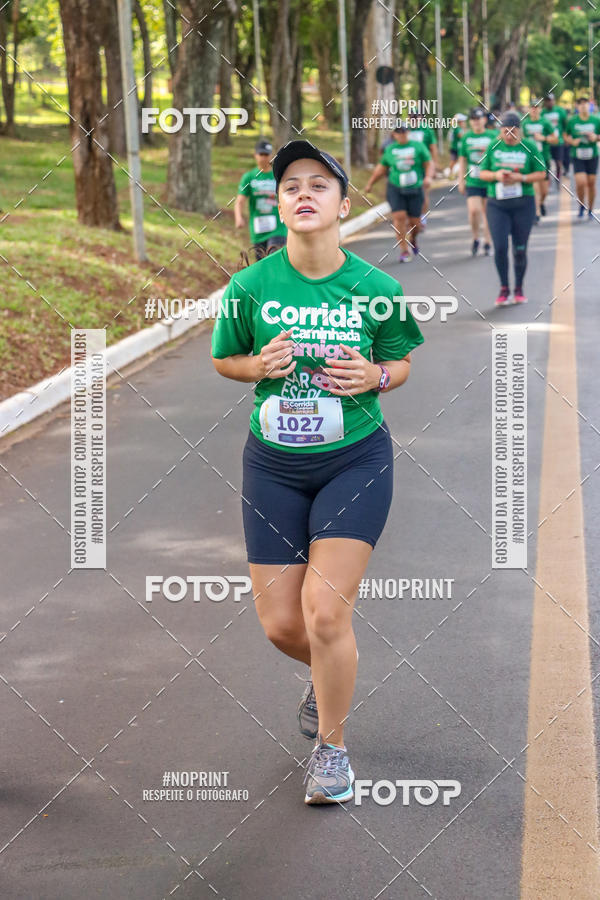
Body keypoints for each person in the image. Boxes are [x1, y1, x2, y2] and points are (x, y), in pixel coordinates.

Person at [211, 140, 424, 805]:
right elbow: (227, 362)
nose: (303, 194)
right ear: (277, 206)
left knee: (326, 616)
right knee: (282, 626)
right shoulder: (249, 287)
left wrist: (378, 375)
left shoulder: (377, 288)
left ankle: (332, 751)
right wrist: (259, 366)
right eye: (291, 187)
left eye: (318, 185)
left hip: (354, 459)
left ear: (343, 203)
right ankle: (331, 671)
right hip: (272, 464)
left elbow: (401, 362)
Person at [479, 111, 547, 306]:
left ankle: (518, 288)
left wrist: (522, 178)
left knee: (519, 249)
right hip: (497, 204)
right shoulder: (493, 146)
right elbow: (481, 173)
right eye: (505, 131)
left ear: (520, 131)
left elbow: (541, 173)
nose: (509, 135)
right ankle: (503, 288)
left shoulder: (530, 147)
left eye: (513, 131)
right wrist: (496, 175)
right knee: (500, 247)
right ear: (500, 131)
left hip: (523, 204)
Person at [364, 123, 434, 262]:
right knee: (399, 216)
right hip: (395, 187)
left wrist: (428, 177)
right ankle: (404, 250)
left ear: (408, 132)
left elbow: (428, 163)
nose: (402, 134)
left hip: (415, 187)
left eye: (404, 131)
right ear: (394, 134)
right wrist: (370, 184)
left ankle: (413, 238)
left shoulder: (418, 146)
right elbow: (381, 169)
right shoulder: (390, 149)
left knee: (416, 223)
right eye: (398, 132)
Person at [234, 138, 287, 261]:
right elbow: (240, 201)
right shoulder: (249, 177)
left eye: (266, 154)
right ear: (255, 155)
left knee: (274, 258)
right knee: (262, 263)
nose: (264, 158)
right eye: (261, 154)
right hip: (258, 229)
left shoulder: (278, 175)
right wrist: (238, 217)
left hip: (278, 227)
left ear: (271, 156)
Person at [457, 107, 496, 255]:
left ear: (484, 120)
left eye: (478, 119)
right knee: (474, 211)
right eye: (473, 119)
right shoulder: (466, 137)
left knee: (488, 213)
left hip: (489, 179)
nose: (476, 122)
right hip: (473, 180)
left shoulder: (492, 135)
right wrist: (461, 180)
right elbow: (462, 160)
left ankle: (487, 242)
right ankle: (475, 238)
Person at [564, 96, 600, 219]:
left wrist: (595, 137)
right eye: (580, 104)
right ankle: (581, 204)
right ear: (577, 107)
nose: (583, 106)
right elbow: (565, 135)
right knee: (581, 182)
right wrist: (572, 141)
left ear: (589, 106)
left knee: (591, 183)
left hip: (592, 155)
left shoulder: (596, 120)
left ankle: (590, 209)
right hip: (577, 155)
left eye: (585, 103)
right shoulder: (572, 120)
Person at [522, 100, 557, 220]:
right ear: (528, 109)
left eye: (536, 107)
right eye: (532, 107)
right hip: (530, 160)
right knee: (535, 187)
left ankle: (541, 203)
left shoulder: (545, 123)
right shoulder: (524, 123)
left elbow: (555, 139)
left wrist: (544, 138)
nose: (534, 109)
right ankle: (536, 212)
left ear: (540, 109)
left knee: (544, 191)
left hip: (543, 158)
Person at [406, 112, 438, 227]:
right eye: (411, 117)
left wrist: (434, 165)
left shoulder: (427, 130)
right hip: (409, 165)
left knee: (423, 192)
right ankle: (410, 215)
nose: (414, 119)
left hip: (424, 164)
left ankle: (423, 216)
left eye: (416, 117)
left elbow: (433, 147)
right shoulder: (405, 129)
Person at [542, 93, 568, 185]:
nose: (549, 102)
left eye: (550, 100)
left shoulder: (560, 111)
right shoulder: (542, 112)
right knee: (547, 161)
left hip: (558, 141)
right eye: (547, 101)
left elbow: (565, 125)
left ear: (554, 101)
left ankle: (557, 178)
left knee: (558, 162)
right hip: (547, 142)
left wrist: (565, 137)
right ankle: (547, 178)